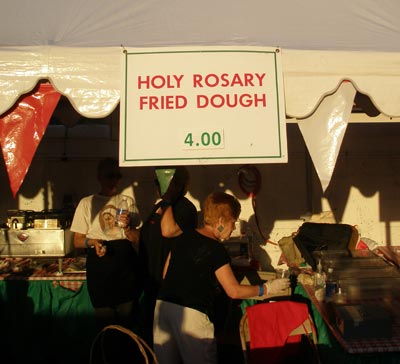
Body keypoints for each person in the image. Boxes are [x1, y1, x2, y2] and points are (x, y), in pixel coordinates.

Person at [153, 191, 290, 364]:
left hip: (163, 308)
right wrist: (267, 288)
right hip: (192, 317)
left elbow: (166, 275)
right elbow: (234, 291)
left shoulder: (183, 237)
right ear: (221, 221)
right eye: (233, 222)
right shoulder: (216, 249)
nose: (233, 227)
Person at [70, 157, 143, 332]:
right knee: (105, 321)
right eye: (110, 176)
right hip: (100, 263)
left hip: (125, 264)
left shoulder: (127, 202)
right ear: (99, 177)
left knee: (128, 319)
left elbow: (137, 238)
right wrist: (93, 242)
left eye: (118, 176)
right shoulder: (87, 203)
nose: (115, 180)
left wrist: (127, 227)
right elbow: (77, 241)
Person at [139, 166, 198, 346]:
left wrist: (169, 200)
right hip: (150, 282)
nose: (158, 186)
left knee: (166, 339)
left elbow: (168, 230)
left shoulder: (185, 207)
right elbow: (146, 235)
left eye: (163, 182)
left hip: (169, 285)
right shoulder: (159, 205)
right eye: (157, 182)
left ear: (178, 184)